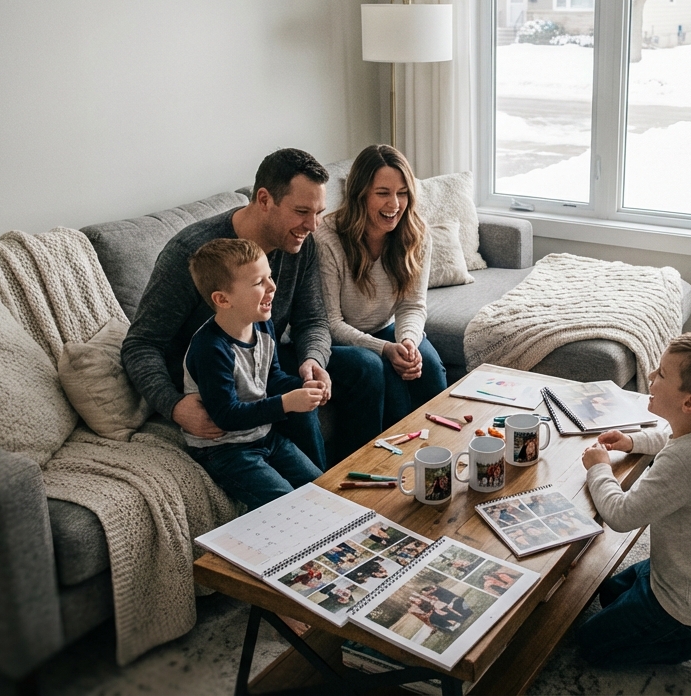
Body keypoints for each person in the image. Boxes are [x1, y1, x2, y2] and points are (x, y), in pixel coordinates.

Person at [122, 147, 381, 466]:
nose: (313, 225)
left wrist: (312, 360)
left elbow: (312, 320)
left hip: (262, 356)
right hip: (215, 373)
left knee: (367, 367)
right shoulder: (191, 254)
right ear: (263, 199)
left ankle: (355, 476)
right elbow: (140, 344)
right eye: (302, 211)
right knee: (294, 407)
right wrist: (174, 405)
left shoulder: (301, 245)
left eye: (318, 212)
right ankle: (321, 497)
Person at [578, 332, 691, 695]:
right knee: (606, 593)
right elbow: (669, 437)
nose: (651, 377)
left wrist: (599, 467)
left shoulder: (683, 462)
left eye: (662, 374)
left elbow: (621, 515)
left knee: (590, 644)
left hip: (684, 601)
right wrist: (631, 441)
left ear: (689, 403)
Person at [180, 239, 324, 510]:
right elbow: (226, 416)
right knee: (287, 505)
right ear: (223, 299)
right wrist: (286, 403)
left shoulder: (263, 324)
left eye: (269, 277)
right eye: (260, 282)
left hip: (264, 436)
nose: (272, 287)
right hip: (224, 450)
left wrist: (306, 386)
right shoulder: (210, 349)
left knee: (320, 488)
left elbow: (271, 379)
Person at [314, 145, 447, 429]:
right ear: (360, 194)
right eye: (383, 193)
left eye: (402, 193)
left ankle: (440, 458)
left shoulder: (416, 233)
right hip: (341, 340)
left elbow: (412, 305)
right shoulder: (328, 238)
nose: (395, 204)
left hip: (387, 328)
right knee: (395, 397)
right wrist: (385, 349)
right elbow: (331, 323)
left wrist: (408, 342)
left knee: (431, 370)